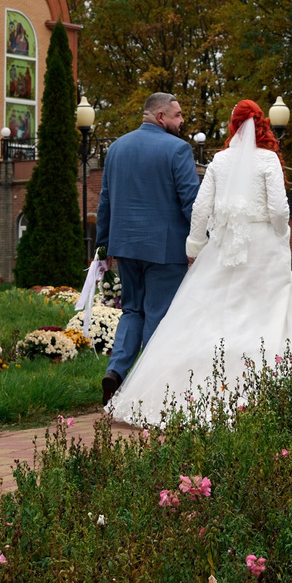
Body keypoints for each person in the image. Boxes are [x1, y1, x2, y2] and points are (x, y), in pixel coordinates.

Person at [106, 100, 292, 427]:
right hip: (262, 246)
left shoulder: (219, 160)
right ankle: (271, 391)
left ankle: (169, 388)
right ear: (261, 125)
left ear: (233, 126)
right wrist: (279, 234)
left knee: (210, 314)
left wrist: (196, 246)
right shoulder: (268, 159)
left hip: (222, 246)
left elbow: (200, 209)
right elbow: (280, 211)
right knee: (265, 313)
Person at [94, 91, 199, 404]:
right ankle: (151, 391)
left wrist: (103, 246)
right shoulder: (178, 149)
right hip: (165, 251)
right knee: (158, 315)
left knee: (132, 310)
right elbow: (191, 202)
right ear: (161, 116)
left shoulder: (116, 148)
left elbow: (105, 201)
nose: (182, 122)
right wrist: (201, 242)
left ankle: (116, 371)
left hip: (125, 246)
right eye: (178, 115)